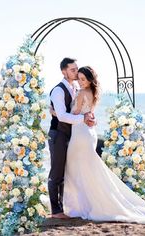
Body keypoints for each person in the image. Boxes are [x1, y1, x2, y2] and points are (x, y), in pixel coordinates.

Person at [63, 66, 145, 224]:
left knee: (75, 168)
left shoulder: (80, 93)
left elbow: (73, 114)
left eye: (83, 79)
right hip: (89, 133)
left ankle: (79, 206)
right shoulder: (94, 93)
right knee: (87, 169)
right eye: (78, 78)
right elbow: (90, 114)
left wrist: (56, 112)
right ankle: (86, 203)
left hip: (80, 134)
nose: (80, 82)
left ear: (89, 80)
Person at [48, 58, 95, 219]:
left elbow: (83, 109)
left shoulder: (76, 87)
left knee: (68, 172)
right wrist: (83, 118)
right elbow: (61, 116)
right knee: (56, 172)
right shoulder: (58, 90)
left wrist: (90, 118)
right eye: (73, 70)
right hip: (58, 134)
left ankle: (65, 206)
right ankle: (55, 211)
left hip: (73, 135)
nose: (76, 72)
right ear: (64, 71)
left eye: (76, 69)